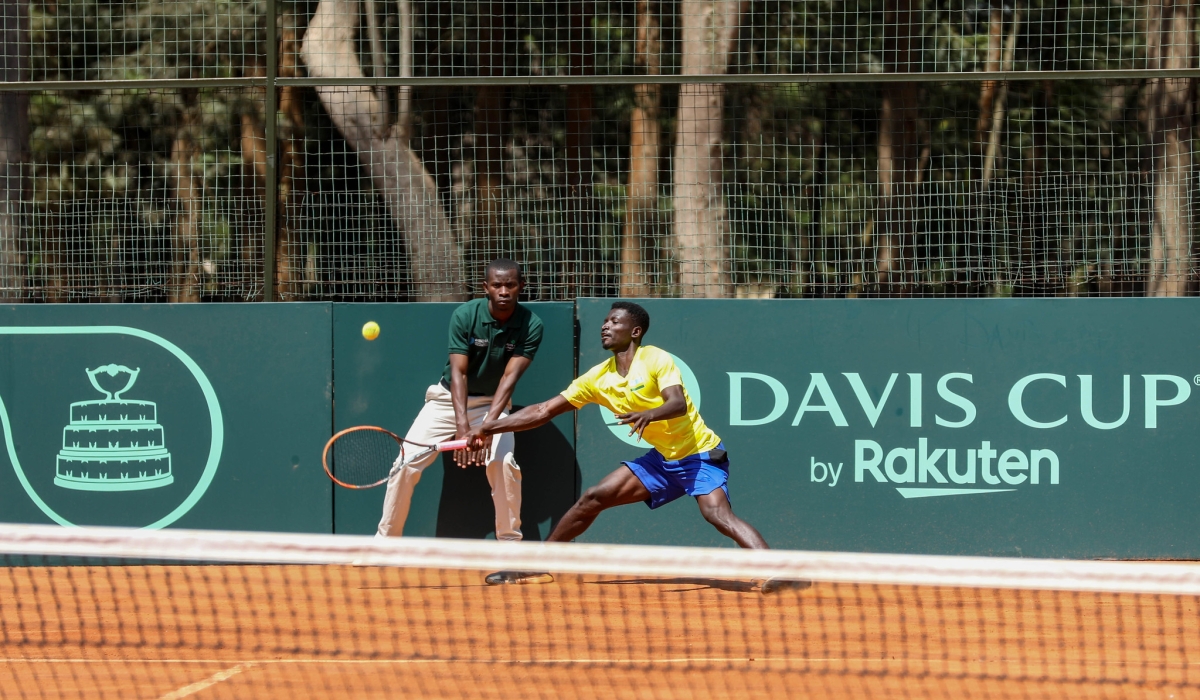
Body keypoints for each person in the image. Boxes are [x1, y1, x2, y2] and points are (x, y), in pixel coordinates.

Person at [470, 301, 801, 592]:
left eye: (615, 322)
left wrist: (649, 414)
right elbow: (543, 411)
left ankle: (778, 570)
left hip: (699, 454)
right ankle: (538, 565)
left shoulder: (655, 358)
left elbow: (678, 404)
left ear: (636, 331)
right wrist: (490, 425)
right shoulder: (597, 378)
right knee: (593, 498)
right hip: (662, 461)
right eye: (605, 321)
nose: (605, 326)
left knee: (716, 514)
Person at [376, 258, 542, 547]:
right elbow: (459, 373)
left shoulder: (532, 325)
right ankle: (384, 545)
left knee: (503, 463)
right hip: (447, 400)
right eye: (497, 285)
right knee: (404, 464)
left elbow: (508, 379)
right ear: (485, 287)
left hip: (495, 403)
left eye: (511, 285)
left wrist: (487, 427)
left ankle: (511, 548)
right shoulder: (466, 315)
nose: (504, 291)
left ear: (521, 287)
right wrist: (463, 427)